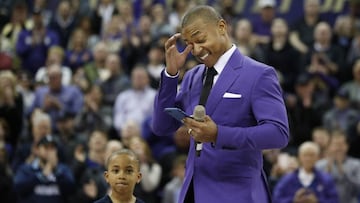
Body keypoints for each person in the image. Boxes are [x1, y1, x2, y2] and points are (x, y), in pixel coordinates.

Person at [152, 5, 289, 203]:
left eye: (200, 40)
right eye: (190, 44)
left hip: (237, 193)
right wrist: (171, 75)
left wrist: (218, 134)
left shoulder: (259, 74)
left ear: (222, 27)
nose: (197, 50)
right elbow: (162, 126)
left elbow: (278, 134)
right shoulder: (192, 77)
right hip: (193, 191)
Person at [272, 141, 339, 203]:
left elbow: (334, 200)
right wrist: (293, 200)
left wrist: (317, 201)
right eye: (305, 155)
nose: (308, 158)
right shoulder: (287, 179)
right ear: (299, 157)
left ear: (317, 157)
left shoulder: (326, 179)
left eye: (311, 155)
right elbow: (276, 199)